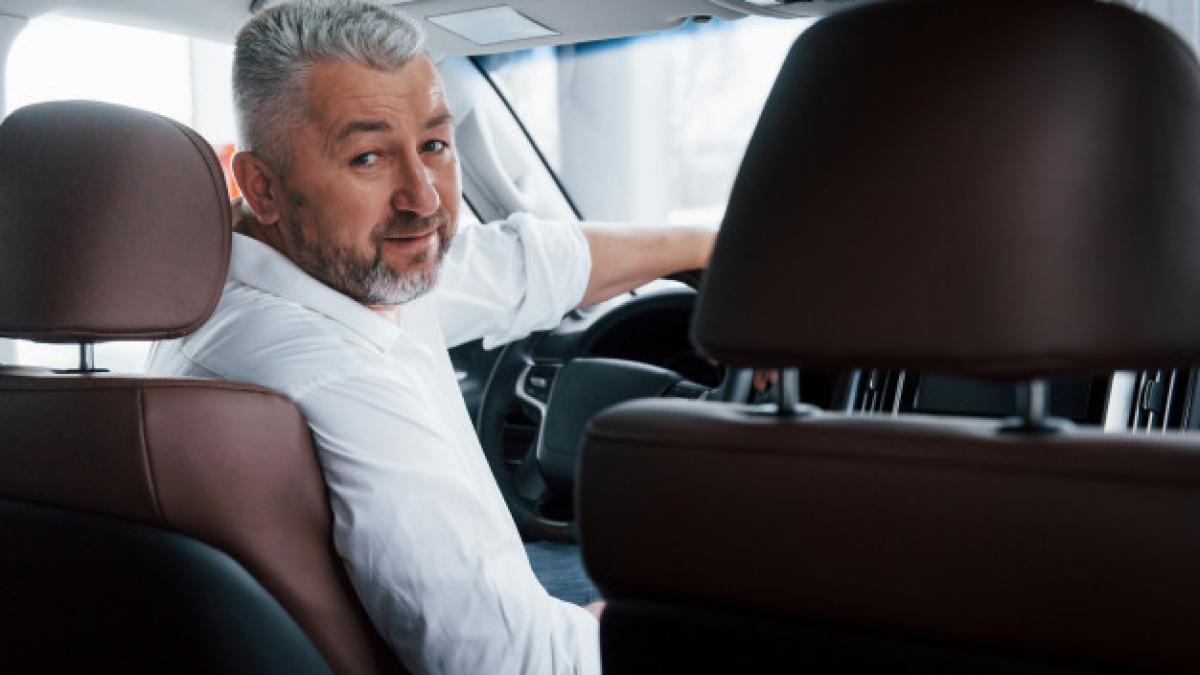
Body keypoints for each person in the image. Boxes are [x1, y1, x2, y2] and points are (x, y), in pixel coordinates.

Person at [148, 1, 716, 673]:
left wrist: (715, 248)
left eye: (435, 145)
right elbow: (516, 661)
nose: (425, 198)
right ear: (263, 187)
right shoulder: (338, 377)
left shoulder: (295, 279)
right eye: (367, 157)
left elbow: (511, 266)